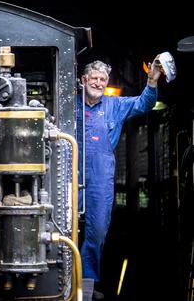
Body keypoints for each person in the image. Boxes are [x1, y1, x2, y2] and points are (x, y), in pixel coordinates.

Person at [76, 58, 162, 301]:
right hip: (68, 174)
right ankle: (62, 279)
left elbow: (144, 103)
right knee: (64, 227)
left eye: (103, 79)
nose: (99, 83)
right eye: (94, 78)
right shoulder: (67, 104)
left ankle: (86, 285)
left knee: (98, 230)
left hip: (100, 179)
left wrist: (152, 80)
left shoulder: (115, 105)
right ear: (84, 80)